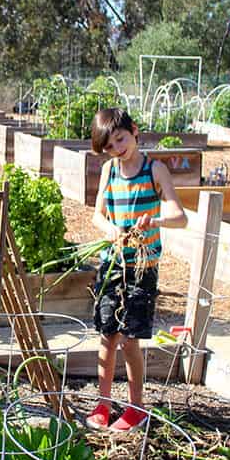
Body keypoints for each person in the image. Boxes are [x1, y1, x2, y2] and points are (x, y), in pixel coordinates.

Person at [86, 108, 187, 432]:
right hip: (113, 263)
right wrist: (110, 229)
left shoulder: (154, 170)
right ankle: (103, 404)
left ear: (134, 131)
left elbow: (179, 215)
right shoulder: (109, 171)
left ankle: (136, 407)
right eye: (110, 146)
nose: (117, 148)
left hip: (142, 267)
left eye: (121, 139)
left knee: (130, 340)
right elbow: (97, 215)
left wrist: (156, 219)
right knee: (107, 336)